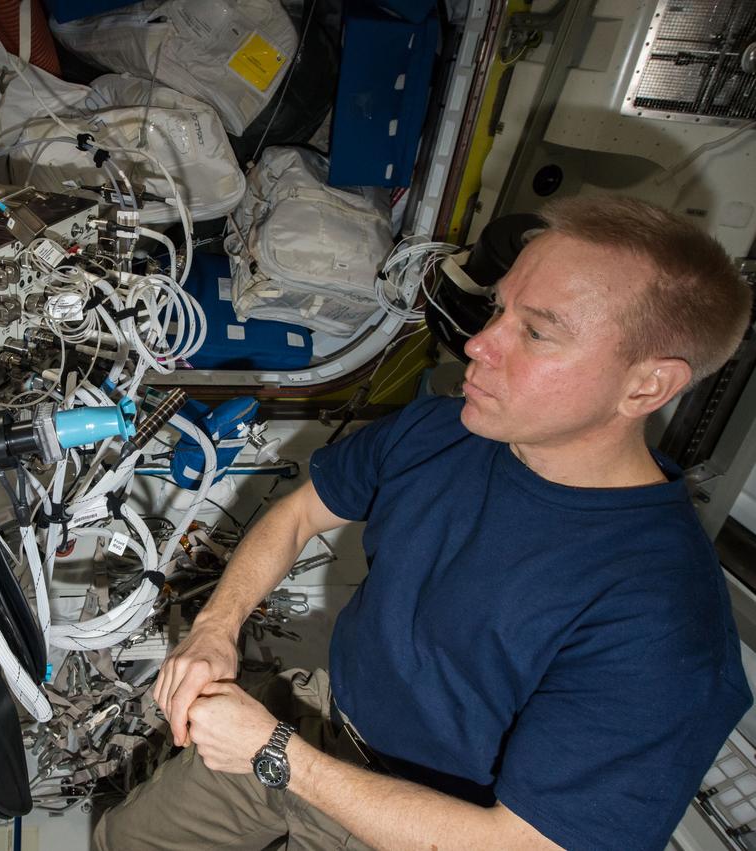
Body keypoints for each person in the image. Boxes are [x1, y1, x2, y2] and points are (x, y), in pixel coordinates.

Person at [92, 196, 754, 850]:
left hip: (426, 821)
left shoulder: (664, 622)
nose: (477, 343)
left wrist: (276, 752)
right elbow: (299, 513)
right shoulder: (445, 428)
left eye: (535, 331)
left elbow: (524, 844)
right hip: (316, 723)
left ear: (645, 387)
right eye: (499, 309)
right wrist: (214, 629)